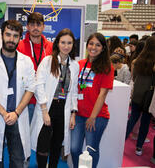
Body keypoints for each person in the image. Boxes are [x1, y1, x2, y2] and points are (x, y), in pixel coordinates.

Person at [0, 20, 35, 168]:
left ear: (20, 38)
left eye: (15, 36)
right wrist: (3, 112)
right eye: (8, 34)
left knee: (17, 159)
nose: (11, 39)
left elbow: (30, 88)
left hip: (17, 116)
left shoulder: (26, 61)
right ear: (2, 36)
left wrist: (16, 112)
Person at [30, 28, 79, 168]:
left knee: (57, 143)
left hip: (63, 109)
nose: (66, 46)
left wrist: (73, 113)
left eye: (69, 43)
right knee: (43, 144)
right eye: (63, 42)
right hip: (47, 107)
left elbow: (74, 91)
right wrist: (44, 111)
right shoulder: (48, 61)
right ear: (57, 43)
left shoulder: (74, 66)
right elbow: (39, 85)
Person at [70, 32, 114, 168]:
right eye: (91, 43)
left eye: (98, 45)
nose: (93, 47)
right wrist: (73, 113)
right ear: (87, 45)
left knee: (91, 150)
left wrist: (92, 117)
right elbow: (74, 90)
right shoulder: (79, 64)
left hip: (97, 116)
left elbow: (102, 95)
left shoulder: (107, 68)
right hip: (79, 114)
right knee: (74, 149)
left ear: (103, 48)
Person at [17, 12, 53, 123]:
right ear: (27, 26)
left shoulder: (51, 47)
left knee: (42, 138)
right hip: (26, 101)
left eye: (38, 24)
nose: (35, 28)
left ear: (43, 26)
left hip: (46, 101)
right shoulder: (19, 46)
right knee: (25, 137)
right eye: (32, 24)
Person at [125, 36, 155, 156]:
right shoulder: (154, 63)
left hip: (137, 93)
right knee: (145, 122)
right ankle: (139, 147)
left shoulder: (137, 61)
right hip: (149, 96)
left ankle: (122, 139)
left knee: (132, 119)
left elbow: (133, 77)